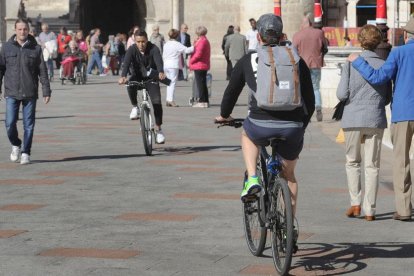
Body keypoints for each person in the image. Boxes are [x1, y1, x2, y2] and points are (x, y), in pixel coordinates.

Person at [215, 14, 315, 218]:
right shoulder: (295, 58)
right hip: (292, 126)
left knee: (247, 134)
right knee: (289, 176)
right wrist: (300, 126)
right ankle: (289, 228)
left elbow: (231, 93)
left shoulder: (248, 59)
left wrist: (224, 115)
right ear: (281, 36)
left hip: (260, 123)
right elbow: (310, 101)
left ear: (258, 37)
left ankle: (252, 178)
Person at [348, 17, 414, 221]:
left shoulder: (399, 53)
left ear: (406, 35)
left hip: (403, 113)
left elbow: (378, 77)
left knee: (401, 161)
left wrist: (357, 61)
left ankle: (404, 209)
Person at [337, 25, 392, 222]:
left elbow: (341, 94)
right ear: (378, 42)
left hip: (353, 118)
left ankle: (355, 203)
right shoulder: (384, 63)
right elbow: (386, 98)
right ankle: (371, 210)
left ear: (360, 41)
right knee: (373, 165)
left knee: (353, 161)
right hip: (375, 118)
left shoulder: (351, 63)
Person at [0, 19, 51, 165]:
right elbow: (1, 69)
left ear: (28, 30)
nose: (23, 32)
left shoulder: (35, 48)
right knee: (9, 123)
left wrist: (46, 90)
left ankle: (26, 152)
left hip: (30, 91)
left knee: (29, 125)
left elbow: (43, 71)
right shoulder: (7, 47)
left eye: (25, 29)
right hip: (11, 91)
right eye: (20, 29)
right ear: (15, 30)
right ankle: (16, 144)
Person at [118, 30, 167, 144]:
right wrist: (123, 76)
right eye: (138, 42)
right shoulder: (132, 49)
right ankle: (135, 107)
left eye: (143, 41)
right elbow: (126, 63)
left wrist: (160, 71)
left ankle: (159, 129)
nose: (141, 44)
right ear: (135, 41)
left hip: (151, 78)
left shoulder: (153, 48)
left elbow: (159, 61)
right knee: (129, 84)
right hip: (137, 76)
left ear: (147, 40)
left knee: (157, 103)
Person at [292, 16, 328, 122]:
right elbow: (325, 48)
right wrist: (319, 56)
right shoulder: (319, 33)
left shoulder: (297, 35)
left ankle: (306, 110)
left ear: (302, 25)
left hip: (302, 65)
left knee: (302, 88)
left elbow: (293, 52)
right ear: (311, 23)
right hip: (316, 64)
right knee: (316, 87)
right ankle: (318, 109)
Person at [162, 28, 194, 107]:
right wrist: (195, 46)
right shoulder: (176, 44)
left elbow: (164, 55)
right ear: (176, 36)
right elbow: (186, 50)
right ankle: (171, 100)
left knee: (168, 83)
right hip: (173, 65)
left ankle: (168, 99)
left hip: (166, 64)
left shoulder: (166, 44)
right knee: (172, 82)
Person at [189, 26, 211, 108]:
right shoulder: (204, 40)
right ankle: (205, 101)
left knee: (200, 84)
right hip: (202, 64)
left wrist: (191, 61)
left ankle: (202, 101)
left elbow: (198, 54)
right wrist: (195, 42)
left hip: (199, 65)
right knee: (203, 83)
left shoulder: (202, 41)